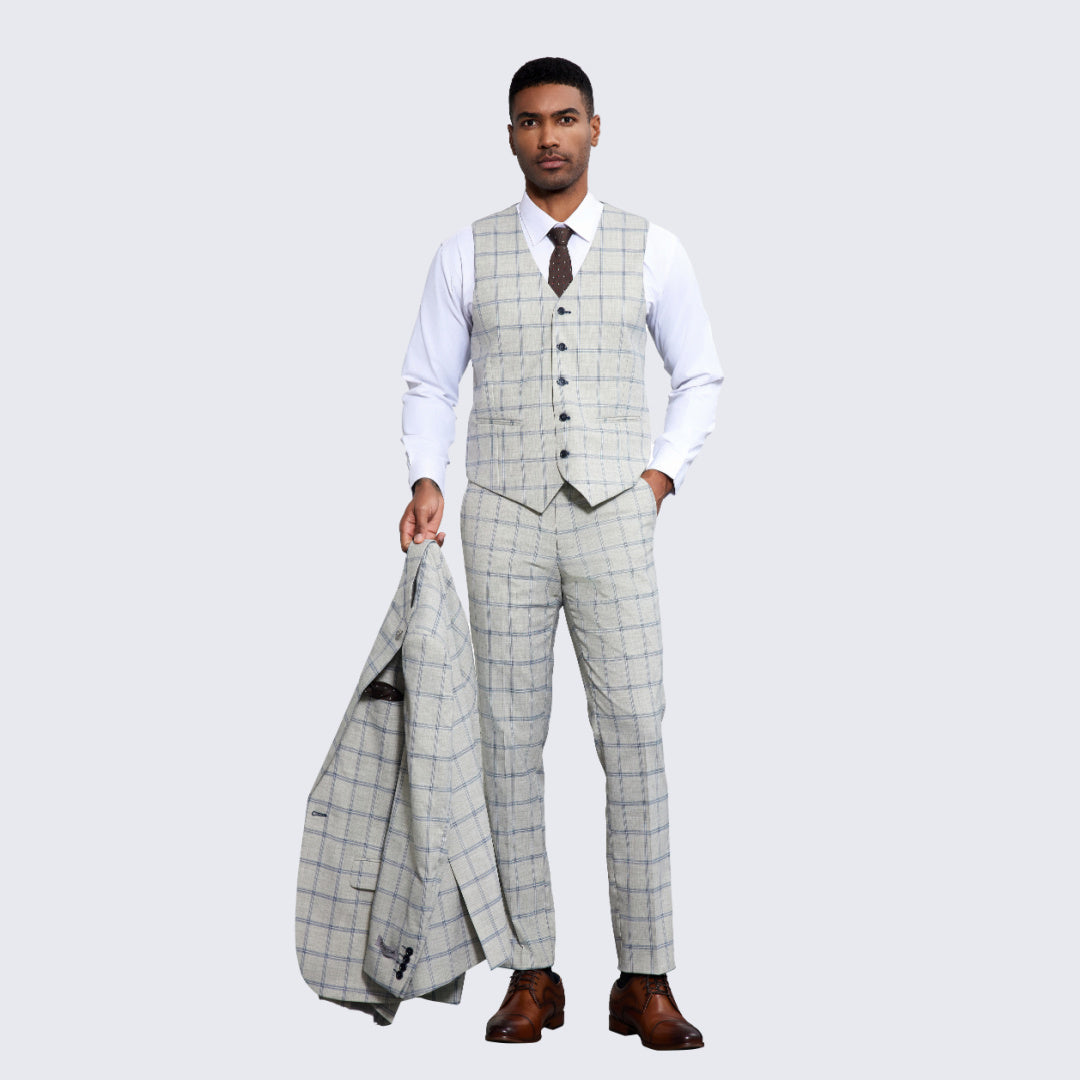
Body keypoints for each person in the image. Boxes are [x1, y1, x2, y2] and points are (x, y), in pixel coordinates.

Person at [396, 57, 723, 1051]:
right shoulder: (464, 251)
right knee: (505, 743)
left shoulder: (653, 247)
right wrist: (425, 477)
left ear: (595, 128)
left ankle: (646, 977)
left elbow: (700, 374)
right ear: (510, 135)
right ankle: (532, 971)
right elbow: (430, 381)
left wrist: (659, 478)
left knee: (636, 737)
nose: (549, 136)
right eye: (532, 121)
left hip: (616, 511)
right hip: (501, 514)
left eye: (566, 119)